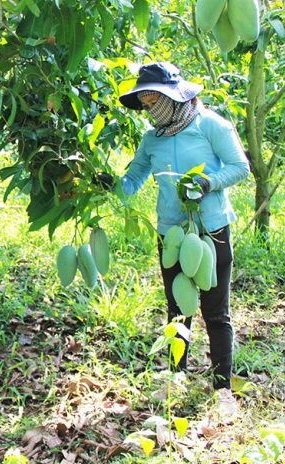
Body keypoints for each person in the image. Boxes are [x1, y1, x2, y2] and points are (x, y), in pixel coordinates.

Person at [98, 62, 250, 419]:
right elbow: (135, 177)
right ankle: (176, 377)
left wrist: (208, 183)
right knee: (178, 309)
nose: (150, 111)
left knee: (216, 310)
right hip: (172, 232)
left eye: (154, 103)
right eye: (146, 105)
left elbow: (240, 166)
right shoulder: (153, 139)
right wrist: (108, 185)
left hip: (210, 229)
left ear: (173, 98)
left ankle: (222, 389)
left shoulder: (210, 125)